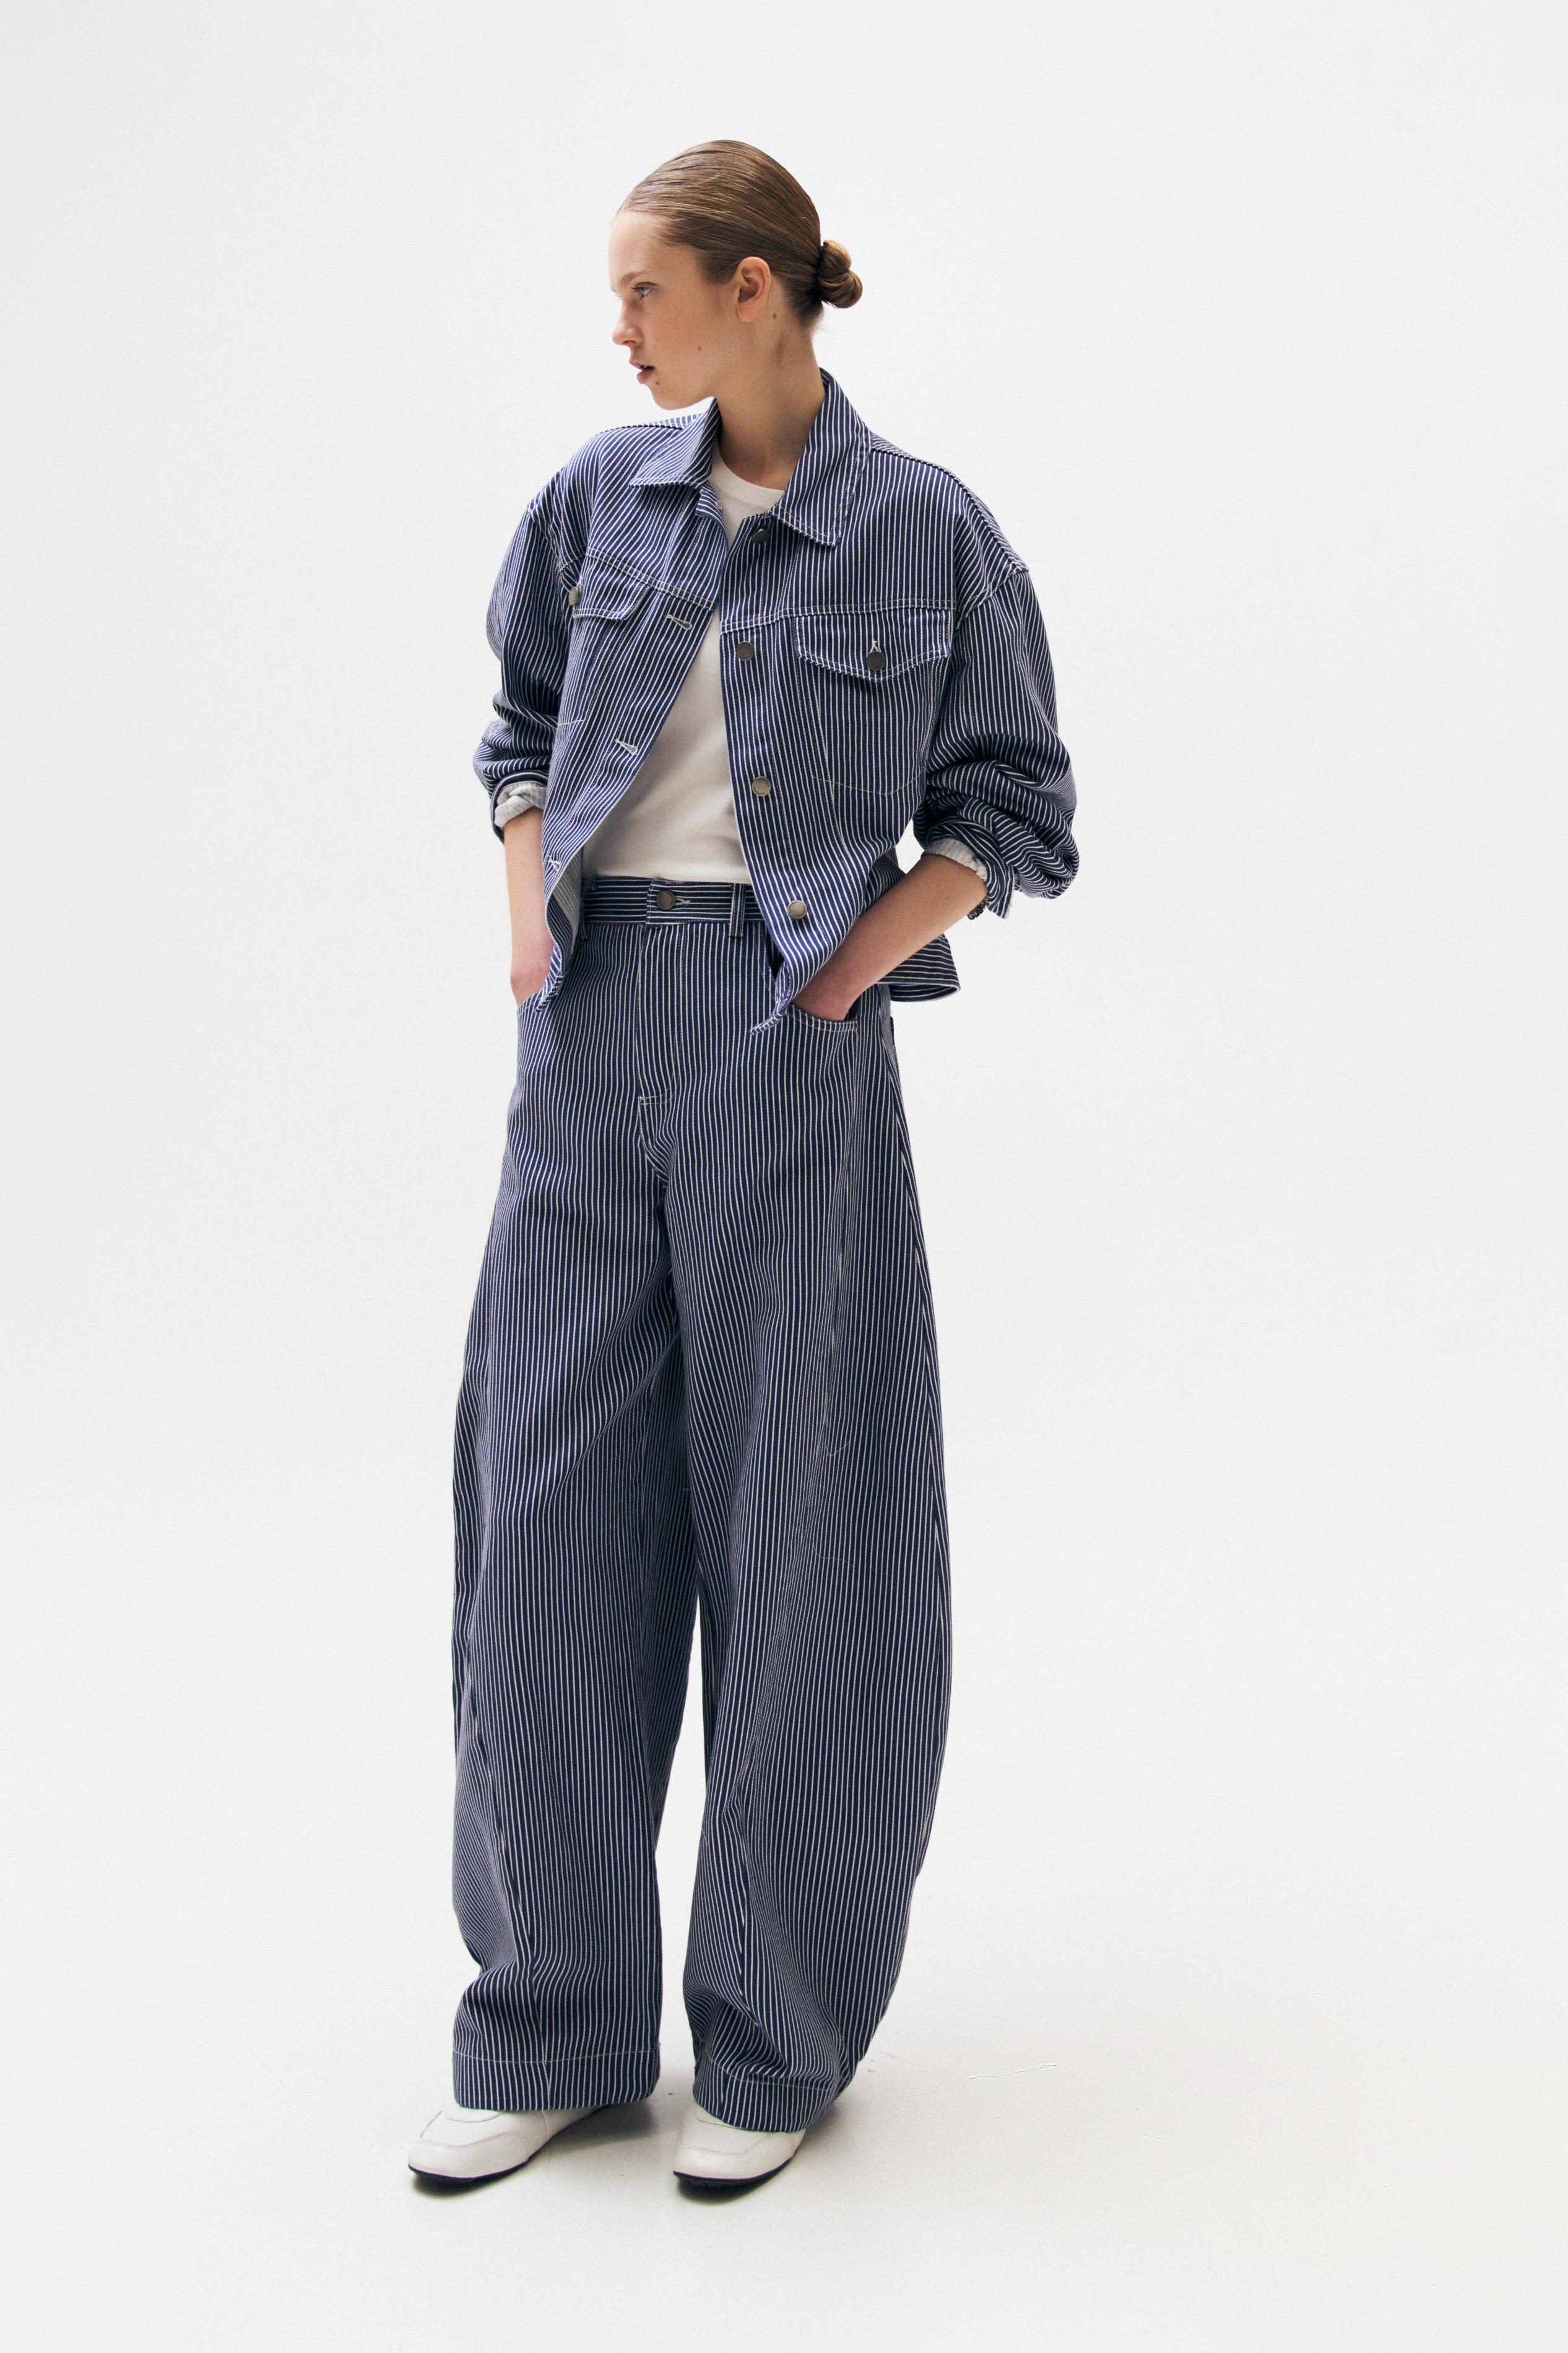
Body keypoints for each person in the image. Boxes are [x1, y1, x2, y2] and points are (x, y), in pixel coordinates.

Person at [409, 140, 1078, 2196]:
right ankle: (554, 2023)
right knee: (542, 1518)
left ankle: (776, 2048)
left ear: (752, 291)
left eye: (646, 288)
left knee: (805, 1534)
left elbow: (1020, 809)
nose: (618, 327)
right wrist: (533, 920)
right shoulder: (593, 499)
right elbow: (519, 727)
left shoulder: (925, 531)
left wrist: (851, 965)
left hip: (790, 1038)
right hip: (589, 1025)